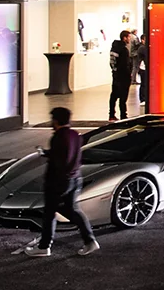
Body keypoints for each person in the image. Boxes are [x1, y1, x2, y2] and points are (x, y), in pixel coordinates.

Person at [23, 107, 99, 257]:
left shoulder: (58, 137)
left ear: (56, 120)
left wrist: (53, 179)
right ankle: (90, 241)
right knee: (73, 210)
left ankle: (44, 246)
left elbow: (60, 160)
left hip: (59, 181)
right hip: (75, 178)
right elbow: (68, 154)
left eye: (52, 119)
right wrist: (45, 152)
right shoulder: (75, 135)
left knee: (49, 213)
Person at [108, 30, 133, 121]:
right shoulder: (124, 50)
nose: (130, 39)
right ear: (124, 38)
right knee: (123, 97)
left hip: (115, 75)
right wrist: (129, 75)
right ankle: (123, 115)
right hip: (123, 77)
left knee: (114, 95)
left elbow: (112, 63)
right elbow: (125, 65)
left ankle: (111, 114)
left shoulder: (114, 48)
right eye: (129, 37)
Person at [135, 35, 148, 106]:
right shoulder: (142, 48)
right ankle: (142, 99)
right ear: (142, 40)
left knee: (144, 84)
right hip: (143, 68)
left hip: (143, 68)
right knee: (143, 84)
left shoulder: (143, 48)